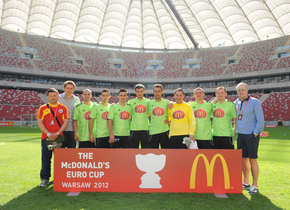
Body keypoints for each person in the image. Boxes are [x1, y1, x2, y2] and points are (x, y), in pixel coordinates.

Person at [235, 82, 264, 195]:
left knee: (253, 160)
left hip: (251, 135)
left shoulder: (255, 102)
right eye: (239, 90)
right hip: (240, 135)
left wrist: (255, 133)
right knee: (243, 160)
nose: (241, 92)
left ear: (247, 90)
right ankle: (246, 182)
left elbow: (260, 120)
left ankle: (255, 185)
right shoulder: (236, 102)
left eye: (243, 89)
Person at [37, 88, 69, 187]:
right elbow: (39, 122)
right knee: (46, 159)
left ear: (58, 96)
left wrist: (57, 133)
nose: (53, 97)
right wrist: (48, 134)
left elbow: (65, 122)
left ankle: (60, 178)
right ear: (47, 97)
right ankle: (45, 179)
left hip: (59, 137)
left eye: (55, 95)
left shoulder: (63, 108)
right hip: (46, 138)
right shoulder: (42, 108)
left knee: (60, 159)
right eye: (51, 96)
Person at [58, 80, 80, 148]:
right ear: (64, 88)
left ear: (74, 89)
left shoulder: (77, 99)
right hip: (60, 129)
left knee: (72, 153)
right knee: (60, 153)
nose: (69, 90)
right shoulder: (58, 98)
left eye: (71, 88)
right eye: (67, 88)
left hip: (72, 130)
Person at [127, 84, 150, 148]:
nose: (139, 93)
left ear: (144, 91)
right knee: (133, 151)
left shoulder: (148, 102)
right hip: (134, 129)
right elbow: (129, 114)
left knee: (145, 151)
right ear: (135, 92)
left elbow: (150, 112)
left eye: (141, 91)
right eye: (137, 91)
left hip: (145, 129)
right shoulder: (130, 102)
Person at [147, 84, 170, 148]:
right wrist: (147, 123)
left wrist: (169, 120)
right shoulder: (149, 103)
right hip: (153, 132)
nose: (157, 93)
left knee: (166, 153)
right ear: (153, 92)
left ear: (162, 92)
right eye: (155, 91)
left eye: (159, 91)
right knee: (153, 154)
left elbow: (172, 113)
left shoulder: (167, 102)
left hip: (164, 131)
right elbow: (146, 115)